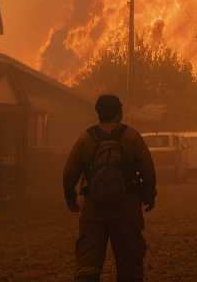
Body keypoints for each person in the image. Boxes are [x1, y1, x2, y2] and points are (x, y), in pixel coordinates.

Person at [62, 94, 157, 282]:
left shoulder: (86, 138)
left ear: (98, 112)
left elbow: (69, 172)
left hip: (94, 208)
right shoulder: (132, 137)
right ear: (119, 113)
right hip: (126, 206)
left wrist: (70, 198)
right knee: (130, 260)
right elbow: (148, 169)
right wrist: (149, 196)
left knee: (88, 262)